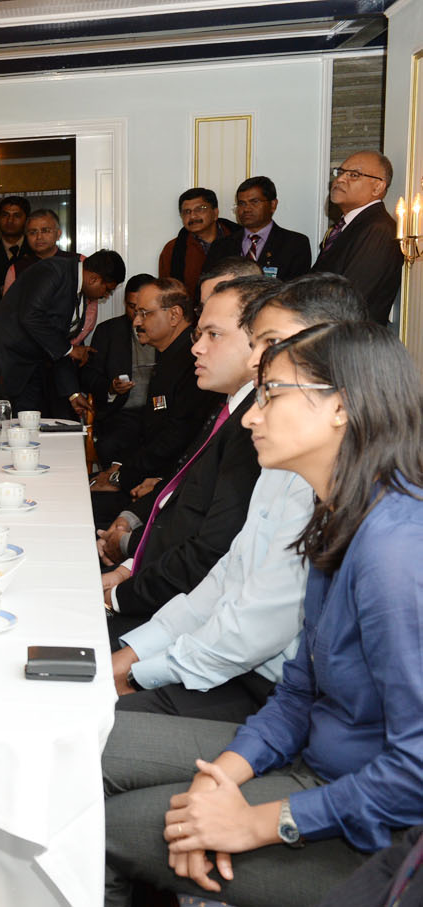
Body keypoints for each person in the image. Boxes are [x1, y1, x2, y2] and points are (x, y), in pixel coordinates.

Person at [103, 320, 423, 906]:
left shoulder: (395, 550)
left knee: (94, 828)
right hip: (313, 762)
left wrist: (255, 822)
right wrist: (219, 777)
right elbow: (300, 692)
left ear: (341, 407)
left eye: (272, 393)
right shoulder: (341, 514)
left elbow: (416, 773)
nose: (251, 415)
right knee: (81, 740)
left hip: (376, 833)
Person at [109, 274, 367, 723]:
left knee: (90, 741)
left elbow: (258, 625)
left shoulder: (335, 483)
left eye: (269, 342)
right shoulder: (279, 460)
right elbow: (226, 578)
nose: (258, 359)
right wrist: (133, 656)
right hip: (227, 662)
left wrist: (138, 674)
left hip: (262, 690)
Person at [97, 277, 273, 641]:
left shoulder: (255, 429)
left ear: (261, 345)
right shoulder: (227, 407)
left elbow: (211, 552)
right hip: (157, 578)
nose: (197, 348)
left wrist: (121, 593)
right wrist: (131, 567)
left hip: (187, 611)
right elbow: (180, 495)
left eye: (213, 335)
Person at [89, 278, 218, 507]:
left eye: (145, 313)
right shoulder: (170, 357)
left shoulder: (193, 365)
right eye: (136, 313)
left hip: (168, 485)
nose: (137, 321)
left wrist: (122, 476)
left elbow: (176, 438)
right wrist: (122, 467)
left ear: (174, 315)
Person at [0, 250, 125, 416]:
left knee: (28, 429)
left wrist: (73, 393)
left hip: (27, 368)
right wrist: (72, 350)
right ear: (94, 279)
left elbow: (56, 339)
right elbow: (30, 316)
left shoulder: (76, 288)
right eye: (107, 290)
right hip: (0, 358)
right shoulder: (53, 271)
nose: (105, 296)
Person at [312, 150, 405, 324]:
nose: (339, 179)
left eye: (354, 175)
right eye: (339, 172)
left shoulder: (379, 229)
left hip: (350, 340)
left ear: (378, 187)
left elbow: (350, 298)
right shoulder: (344, 227)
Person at [81, 274, 157, 462]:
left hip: (158, 414)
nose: (137, 315)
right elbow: (88, 375)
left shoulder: (167, 331)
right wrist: (110, 387)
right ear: (124, 303)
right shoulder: (108, 331)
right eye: (132, 307)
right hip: (122, 413)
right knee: (111, 444)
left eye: (144, 310)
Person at [205, 176, 312, 281]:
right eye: (242, 203)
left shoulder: (295, 244)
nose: (246, 209)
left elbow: (297, 291)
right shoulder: (221, 246)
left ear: (273, 204)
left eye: (254, 202)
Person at [159, 188, 238, 299]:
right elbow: (167, 294)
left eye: (200, 209)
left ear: (215, 213)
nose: (193, 216)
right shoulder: (172, 250)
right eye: (187, 212)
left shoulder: (240, 240)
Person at [0, 208, 79, 294]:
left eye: (45, 231)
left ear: (58, 234)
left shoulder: (77, 262)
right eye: (33, 232)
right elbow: (8, 305)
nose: (39, 237)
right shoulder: (17, 269)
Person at [0, 195, 30, 291]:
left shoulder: (35, 251)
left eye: (17, 216)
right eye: (5, 215)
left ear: (27, 220)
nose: (10, 220)